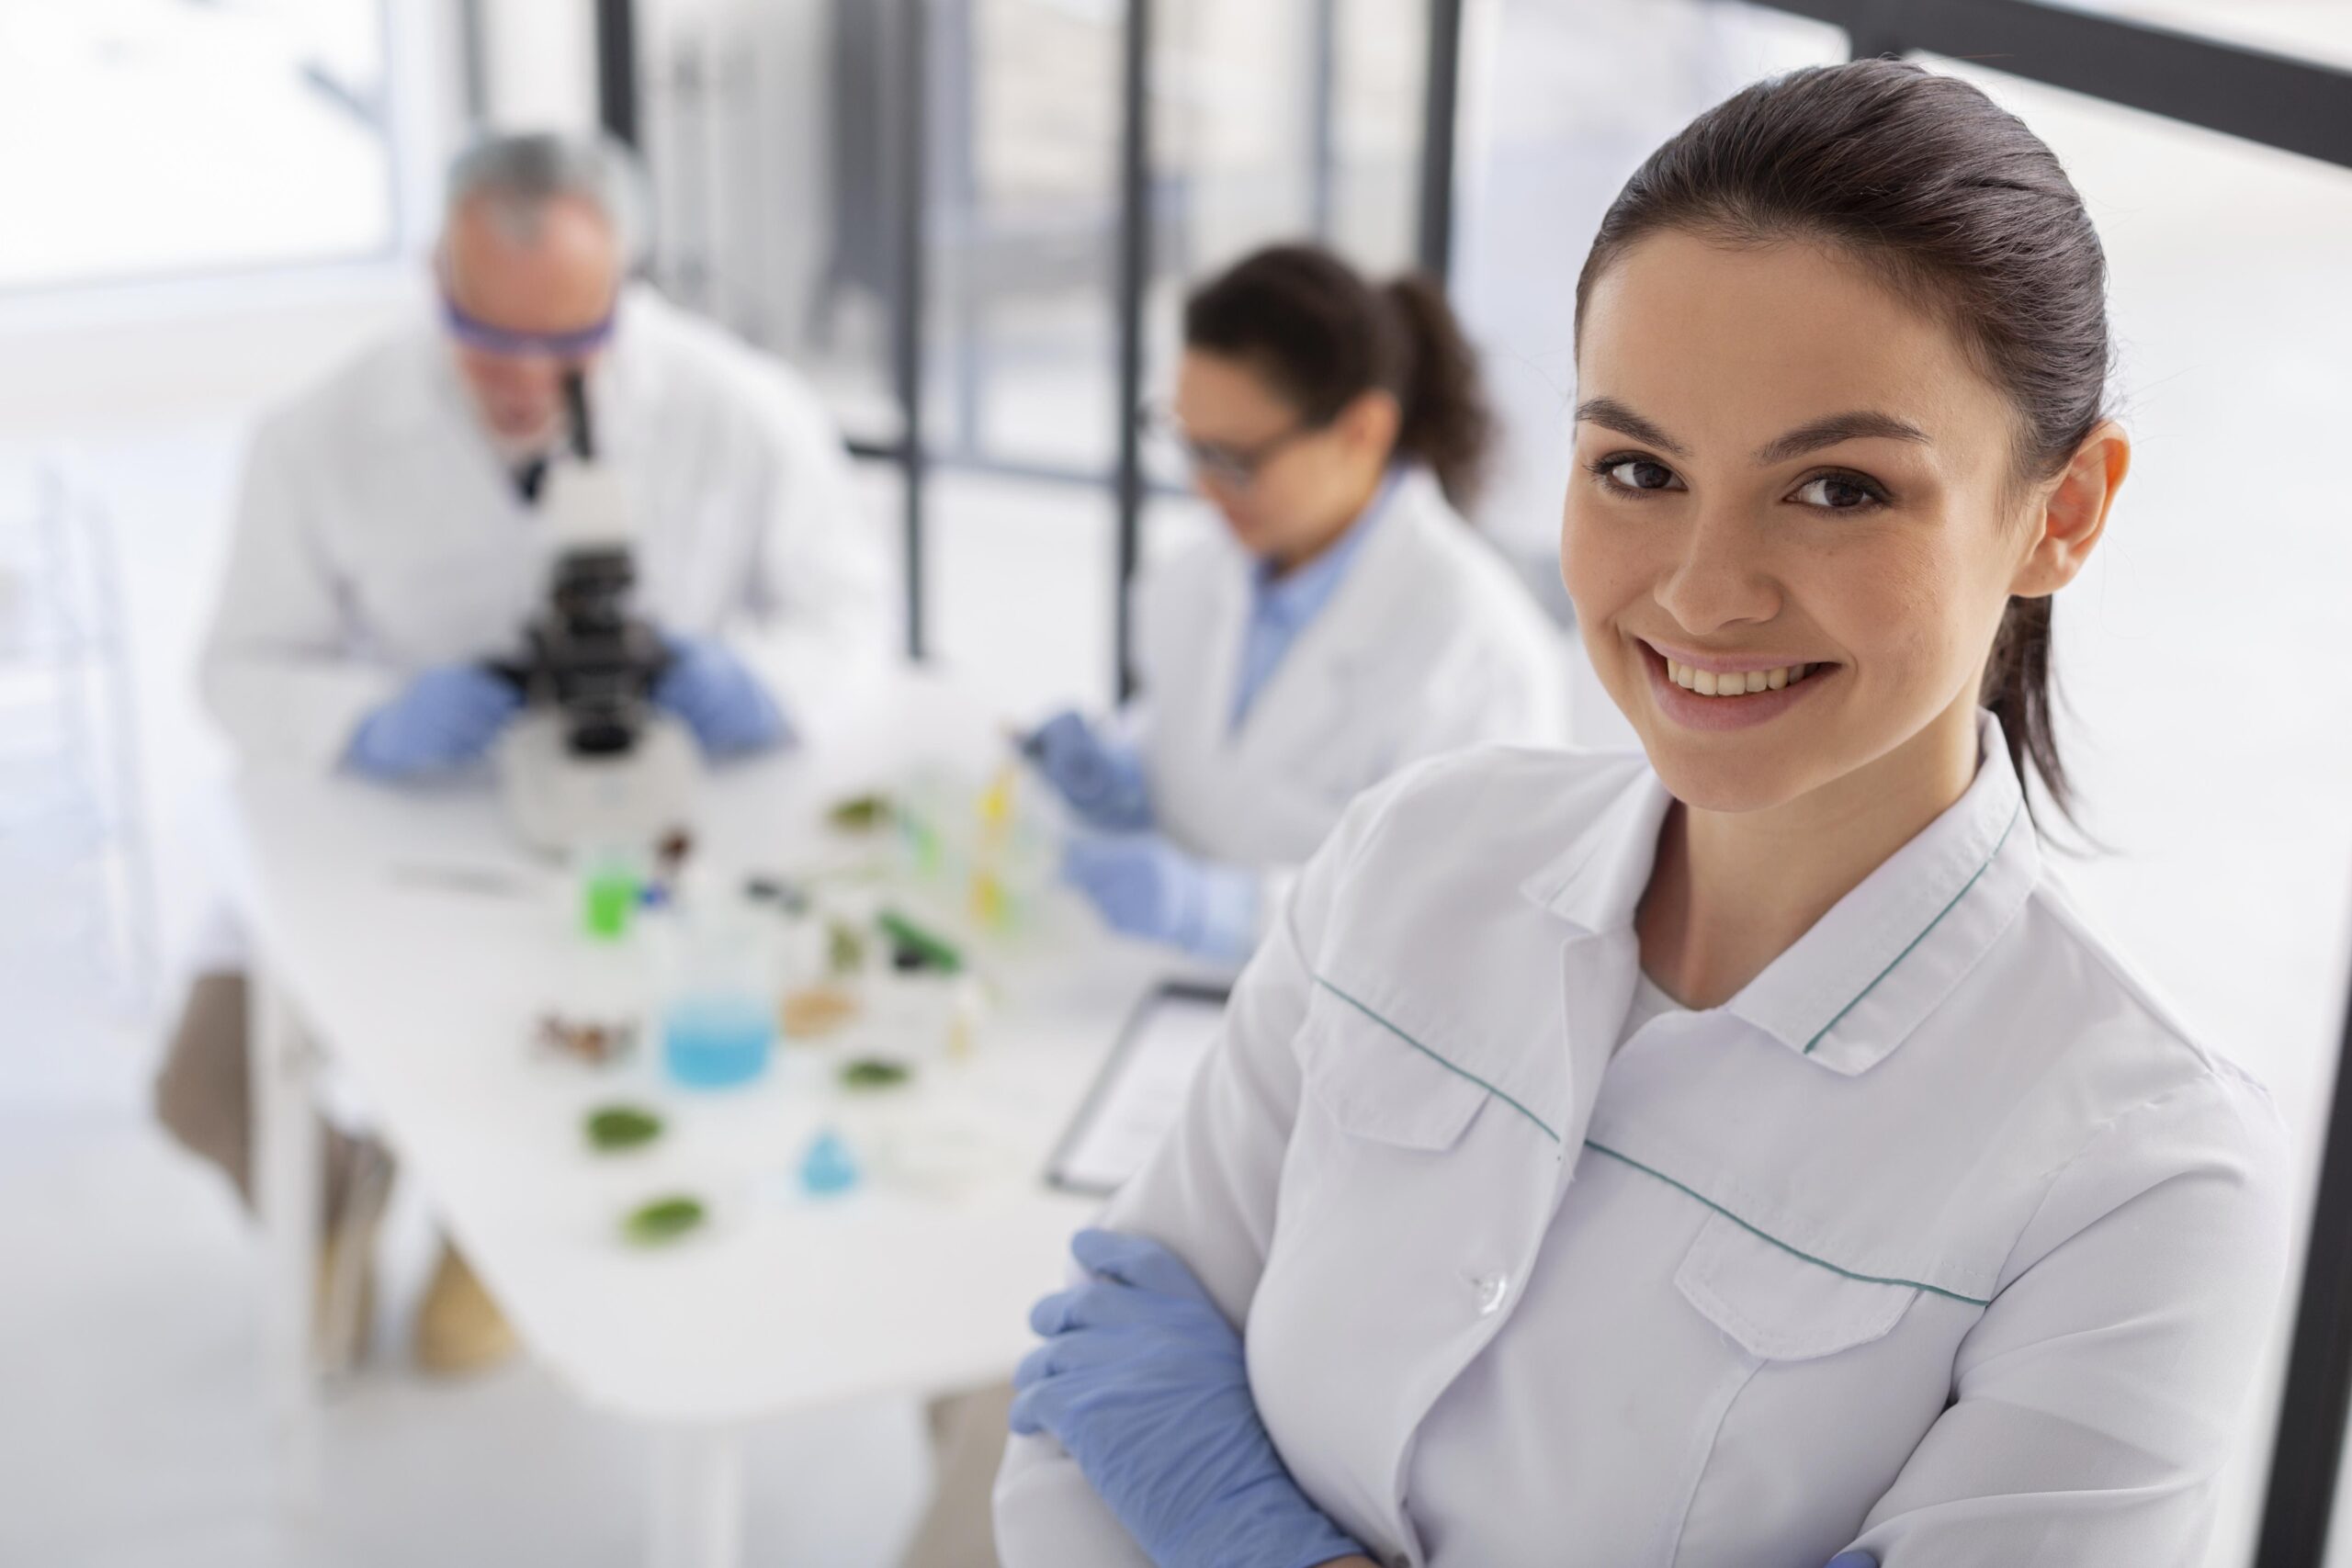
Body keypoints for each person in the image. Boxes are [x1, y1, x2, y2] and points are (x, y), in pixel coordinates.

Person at [994, 60, 2290, 1568]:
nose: (1701, 591)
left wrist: (1255, 1534)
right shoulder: (1414, 857)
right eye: (1637, 468)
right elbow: (1071, 1450)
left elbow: (1154, 1430)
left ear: (2059, 512)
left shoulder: (2141, 1177)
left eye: (1838, 490)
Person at [153, 130, 891, 1375]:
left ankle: (485, 1239)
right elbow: (236, 669)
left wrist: (756, 684)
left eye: (563, 343)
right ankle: (344, 1197)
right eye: (482, 333)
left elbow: (847, 615)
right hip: (398, 832)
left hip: (640, 834)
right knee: (204, 1081)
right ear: (434, 272)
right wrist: (364, 719)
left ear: (626, 288)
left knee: (556, 1052)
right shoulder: (320, 432)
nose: (516, 377)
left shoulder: (741, 412)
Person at [1028, 243, 1569, 966]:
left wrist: (1226, 910)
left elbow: (1460, 923)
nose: (1202, 488)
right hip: (1150, 991)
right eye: (1190, 447)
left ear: (1362, 432)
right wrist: (1124, 774)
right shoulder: (1196, 575)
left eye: (1235, 459)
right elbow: (1207, 764)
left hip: (1335, 1040)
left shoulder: (1478, 652)